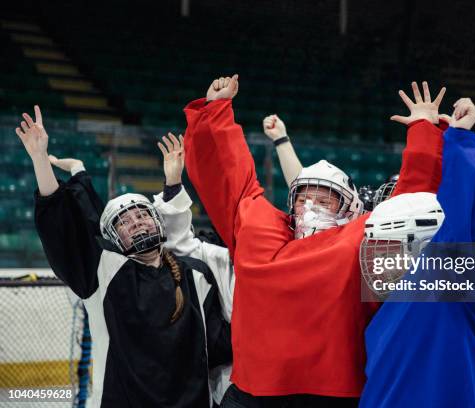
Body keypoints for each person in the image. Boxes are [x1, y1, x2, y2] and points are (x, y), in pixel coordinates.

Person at [182, 75, 446, 406]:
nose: (310, 208)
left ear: (349, 207)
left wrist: (425, 129)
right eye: (303, 199)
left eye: (324, 200)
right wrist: (215, 110)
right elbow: (226, 176)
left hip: (333, 397)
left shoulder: (360, 239)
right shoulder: (260, 236)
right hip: (254, 394)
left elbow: (412, 204)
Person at [16, 106, 233, 408]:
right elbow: (61, 226)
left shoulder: (196, 274)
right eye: (125, 222)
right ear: (113, 238)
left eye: (142, 214)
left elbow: (221, 348)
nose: (137, 222)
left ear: (157, 220)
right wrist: (40, 158)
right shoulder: (102, 272)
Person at [360, 97, 475, 407]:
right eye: (378, 247)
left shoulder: (458, 281)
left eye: (392, 246)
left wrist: (467, 137)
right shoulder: (384, 311)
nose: (380, 260)